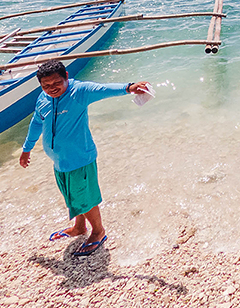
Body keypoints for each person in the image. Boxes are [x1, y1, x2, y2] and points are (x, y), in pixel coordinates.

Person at [19, 60, 150, 257]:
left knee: (86, 200)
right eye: (46, 86)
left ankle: (98, 231)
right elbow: (37, 122)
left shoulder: (78, 92)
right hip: (60, 162)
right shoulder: (43, 98)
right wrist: (27, 149)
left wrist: (129, 87)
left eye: (56, 84)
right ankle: (79, 227)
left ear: (66, 76)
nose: (52, 89)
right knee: (71, 196)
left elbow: (104, 89)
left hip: (80, 159)